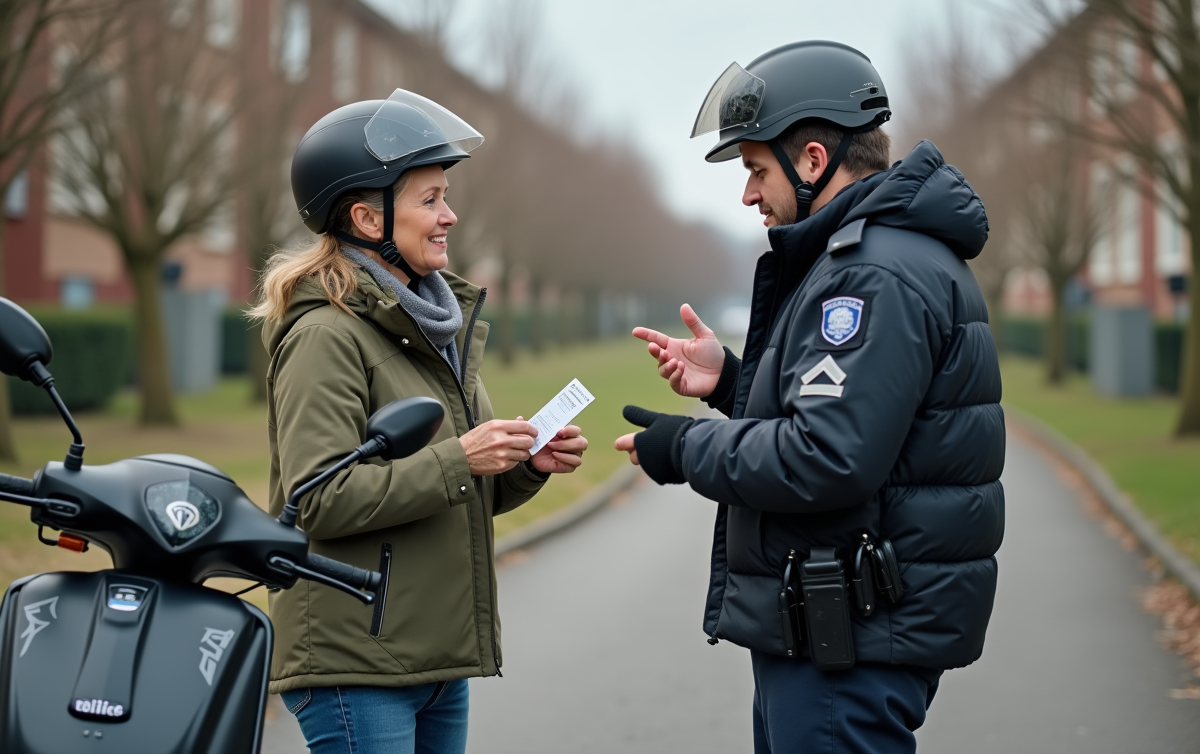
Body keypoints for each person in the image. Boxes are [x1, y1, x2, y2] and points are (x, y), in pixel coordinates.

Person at [615, 41, 1004, 753]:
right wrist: (733, 383)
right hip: (839, 627)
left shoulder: (871, 274)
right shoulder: (872, 256)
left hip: (848, 639)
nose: (748, 193)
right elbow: (856, 423)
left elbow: (826, 455)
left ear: (815, 160)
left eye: (756, 169)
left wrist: (682, 447)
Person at [249, 90, 588, 754]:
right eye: (429, 199)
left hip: (432, 659)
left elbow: (457, 494)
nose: (449, 216)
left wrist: (522, 467)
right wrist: (462, 457)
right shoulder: (326, 334)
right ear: (365, 216)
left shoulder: (433, 324)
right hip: (356, 663)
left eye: (445, 198)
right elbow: (317, 498)